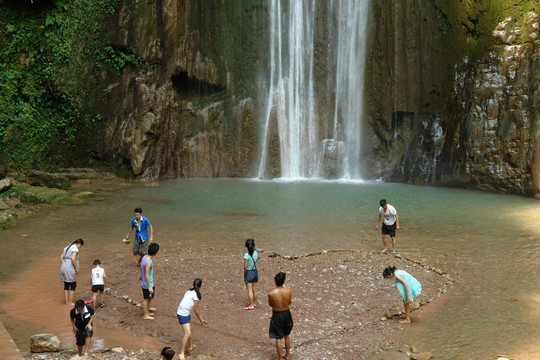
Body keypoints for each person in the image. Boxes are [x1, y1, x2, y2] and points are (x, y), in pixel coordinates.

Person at [176, 278, 207, 360]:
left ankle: (190, 345)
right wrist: (201, 319)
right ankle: (182, 353)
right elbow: (195, 310)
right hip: (183, 314)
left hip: (185, 312)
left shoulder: (189, 291)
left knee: (191, 328)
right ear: (201, 286)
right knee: (188, 333)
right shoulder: (196, 295)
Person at [268, 272, 293, 360]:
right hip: (287, 313)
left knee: (278, 337)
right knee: (286, 335)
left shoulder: (271, 293)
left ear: (275, 281)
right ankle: (287, 355)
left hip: (277, 314)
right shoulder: (288, 291)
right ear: (284, 281)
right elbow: (289, 302)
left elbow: (271, 304)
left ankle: (280, 357)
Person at [60, 238, 84, 306]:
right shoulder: (75, 248)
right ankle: (70, 302)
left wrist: (64, 263)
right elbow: (73, 259)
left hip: (63, 267)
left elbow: (61, 257)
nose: (80, 248)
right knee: (73, 285)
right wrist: (77, 268)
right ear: (79, 244)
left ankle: (66, 302)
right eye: (81, 246)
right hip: (70, 267)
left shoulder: (66, 247)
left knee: (66, 285)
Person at [141, 242, 159, 320]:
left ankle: (147, 312)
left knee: (150, 298)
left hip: (145, 282)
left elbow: (142, 268)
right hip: (148, 283)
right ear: (155, 253)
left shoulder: (144, 257)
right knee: (146, 299)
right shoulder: (149, 263)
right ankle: (145, 315)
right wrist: (150, 287)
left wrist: (140, 276)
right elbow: (147, 274)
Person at [243, 238, 259, 310]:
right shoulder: (256, 253)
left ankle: (251, 305)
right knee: (254, 289)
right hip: (255, 271)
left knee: (249, 290)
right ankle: (254, 303)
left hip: (249, 272)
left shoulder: (246, 255)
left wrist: (244, 273)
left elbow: (245, 266)